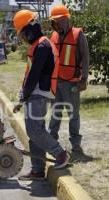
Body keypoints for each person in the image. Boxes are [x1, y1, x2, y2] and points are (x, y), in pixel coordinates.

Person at [12, 10, 70, 180]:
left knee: (34, 130)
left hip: (39, 94)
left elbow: (34, 75)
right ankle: (37, 170)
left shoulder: (43, 46)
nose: (22, 37)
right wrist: (23, 96)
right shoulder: (39, 44)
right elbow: (31, 75)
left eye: (22, 32)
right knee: (34, 131)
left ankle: (60, 154)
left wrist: (22, 98)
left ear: (30, 28)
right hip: (35, 93)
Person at [48, 5, 89, 154]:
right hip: (56, 82)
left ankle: (76, 144)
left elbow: (85, 58)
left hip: (72, 82)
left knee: (73, 115)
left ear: (65, 20)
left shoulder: (79, 35)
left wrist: (83, 80)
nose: (55, 25)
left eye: (57, 21)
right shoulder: (53, 36)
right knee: (55, 114)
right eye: (53, 22)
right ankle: (51, 142)